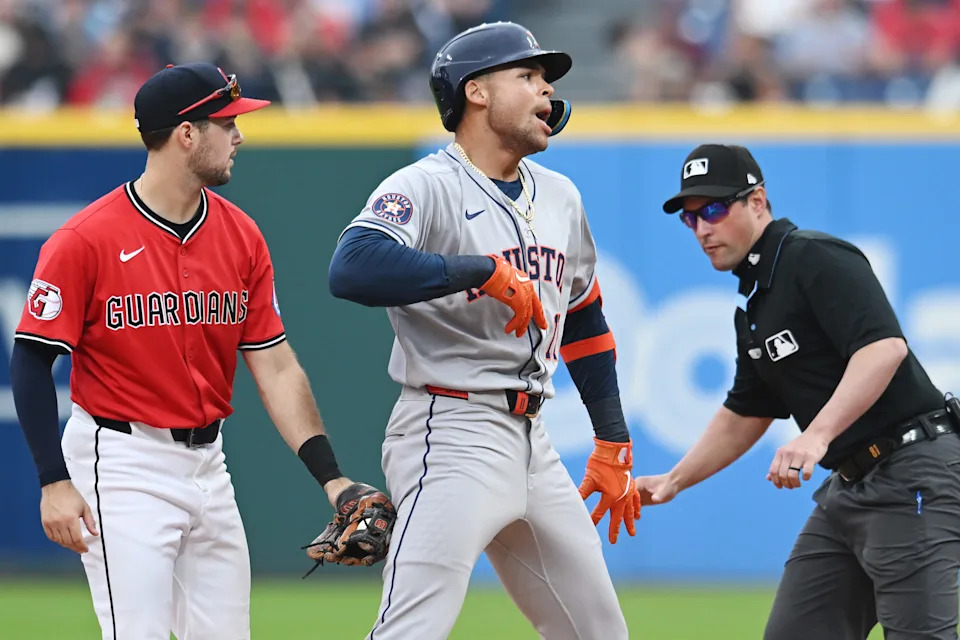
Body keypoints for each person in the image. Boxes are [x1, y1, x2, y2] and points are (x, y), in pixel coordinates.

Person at [9, 62, 383, 640]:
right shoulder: (85, 240)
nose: (239, 135)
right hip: (121, 462)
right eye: (227, 122)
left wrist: (331, 479)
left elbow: (276, 366)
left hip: (210, 465)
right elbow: (33, 357)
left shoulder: (241, 235)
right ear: (188, 133)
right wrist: (53, 481)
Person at [327, 21, 639, 640]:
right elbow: (351, 267)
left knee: (598, 632)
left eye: (547, 82)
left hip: (533, 439)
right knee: (411, 628)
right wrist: (478, 271)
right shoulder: (425, 185)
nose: (546, 94)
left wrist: (610, 437)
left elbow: (583, 314)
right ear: (476, 92)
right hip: (450, 431)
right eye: (527, 76)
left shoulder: (560, 195)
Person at [638, 143, 960, 640]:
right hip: (853, 487)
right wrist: (676, 480)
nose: (702, 228)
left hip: (913, 472)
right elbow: (746, 411)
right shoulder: (754, 307)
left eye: (716, 209)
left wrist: (817, 436)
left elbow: (883, 348)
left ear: (758, 202)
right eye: (690, 218)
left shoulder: (813, 256)